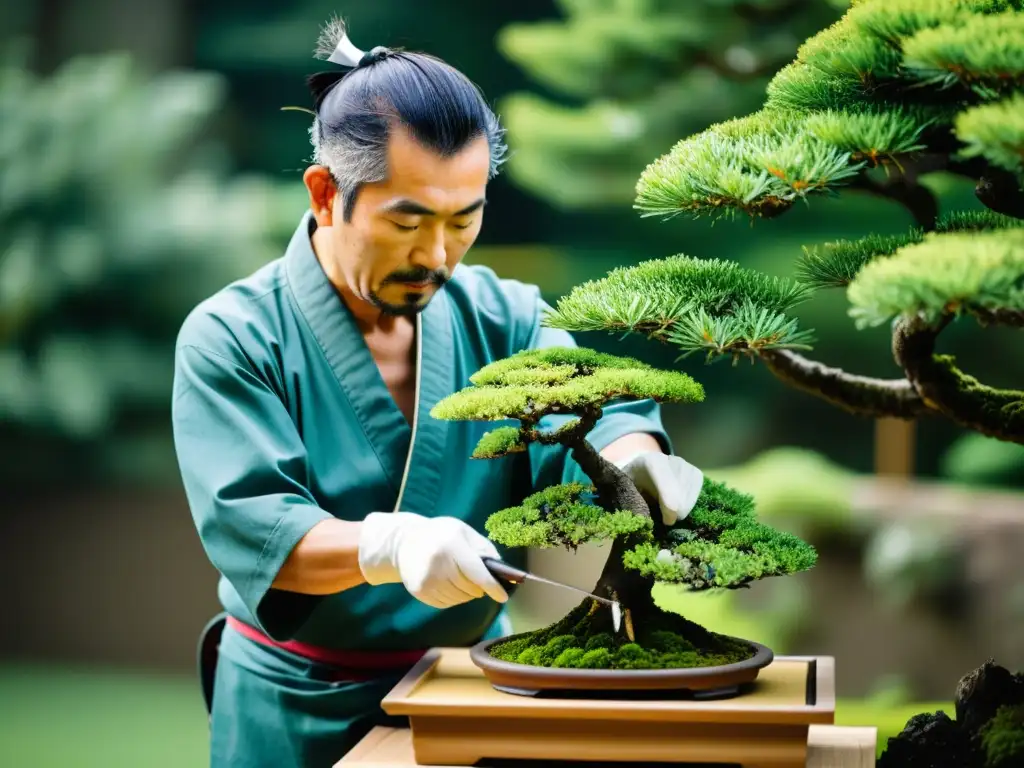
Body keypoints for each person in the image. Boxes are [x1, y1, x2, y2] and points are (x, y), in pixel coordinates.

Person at [170, 18, 705, 768]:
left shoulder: (508, 317)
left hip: (470, 688)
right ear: (327, 194)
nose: (437, 254)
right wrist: (390, 545)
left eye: (465, 218)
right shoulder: (233, 336)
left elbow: (596, 406)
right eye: (408, 220)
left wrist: (634, 458)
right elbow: (257, 529)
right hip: (297, 705)